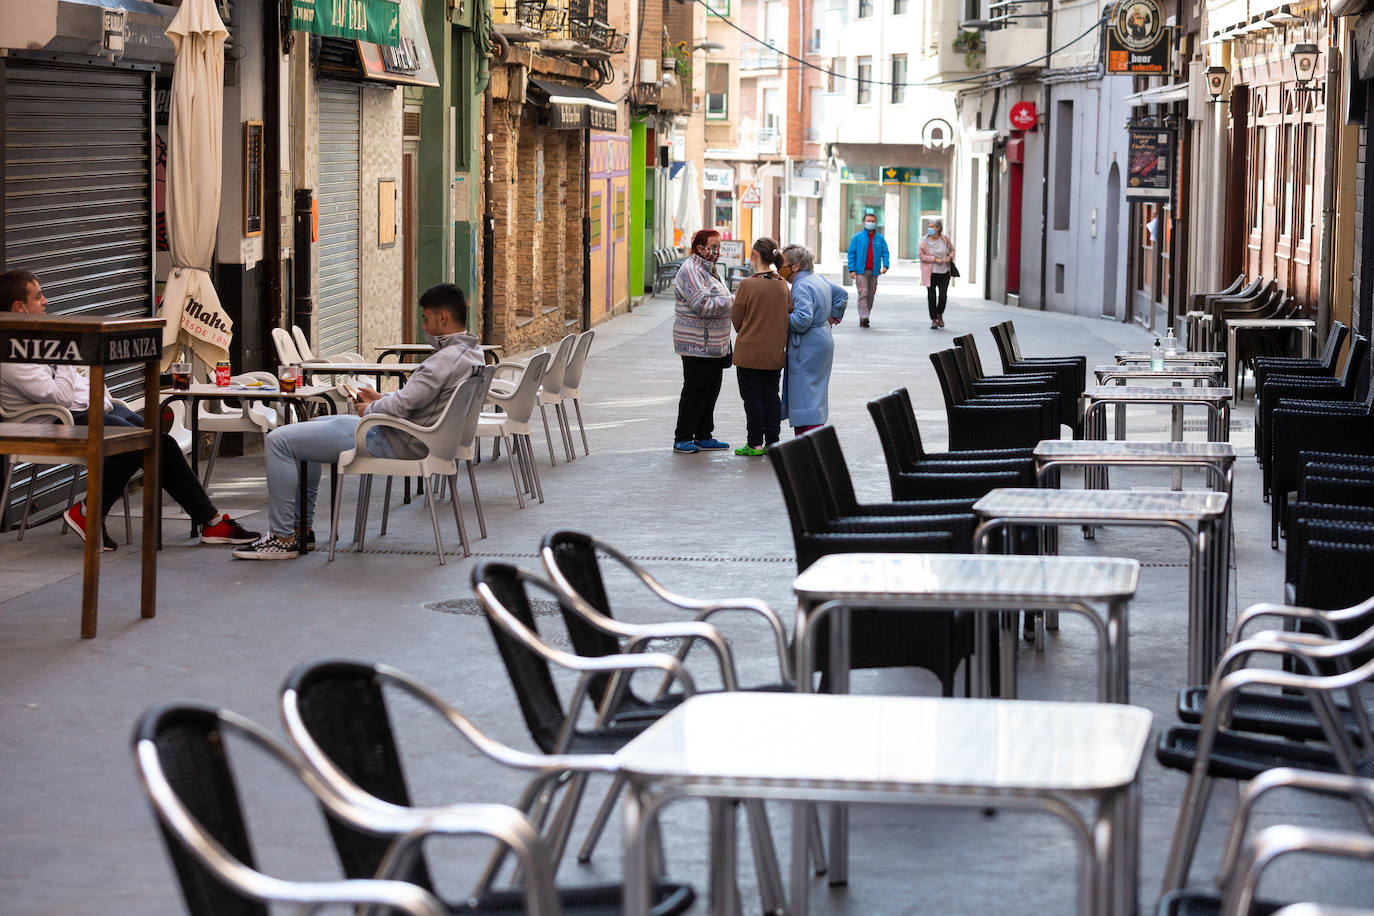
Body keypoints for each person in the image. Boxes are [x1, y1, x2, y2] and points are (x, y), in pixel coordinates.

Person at [0, 269, 258, 550]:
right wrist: (65, 349)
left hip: (90, 410)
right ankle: (207, 521)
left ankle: (207, 521)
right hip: (56, 422)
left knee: (162, 443)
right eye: (38, 297)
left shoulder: (33, 337)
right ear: (19, 307)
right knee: (137, 445)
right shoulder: (11, 353)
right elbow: (60, 396)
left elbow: (71, 387)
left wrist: (101, 399)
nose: (46, 301)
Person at [232, 282, 483, 560]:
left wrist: (370, 408)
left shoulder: (442, 360)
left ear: (443, 318)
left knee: (278, 440)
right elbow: (419, 400)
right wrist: (378, 398)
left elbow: (403, 404)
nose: (424, 326)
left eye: (426, 319)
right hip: (423, 438)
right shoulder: (474, 356)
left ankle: (282, 538)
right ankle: (301, 530)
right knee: (303, 436)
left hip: (393, 438)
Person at [671, 228, 733, 455]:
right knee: (696, 390)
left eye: (719, 246)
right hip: (697, 345)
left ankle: (704, 434)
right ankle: (683, 436)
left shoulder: (710, 269)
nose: (718, 251)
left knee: (711, 390)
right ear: (700, 248)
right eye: (714, 247)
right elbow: (703, 305)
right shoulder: (690, 270)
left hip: (715, 345)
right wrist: (733, 300)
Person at [729, 238, 790, 456]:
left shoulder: (747, 285)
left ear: (754, 255)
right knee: (772, 396)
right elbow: (788, 312)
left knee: (752, 398)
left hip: (749, 353)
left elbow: (736, 318)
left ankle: (754, 443)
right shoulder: (782, 285)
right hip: (774, 353)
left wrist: (748, 331)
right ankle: (773, 442)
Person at [779, 244, 847, 434]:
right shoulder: (817, 279)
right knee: (816, 393)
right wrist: (831, 317)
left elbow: (802, 320)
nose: (779, 268)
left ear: (796, 266)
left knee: (804, 394)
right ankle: (815, 433)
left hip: (807, 345)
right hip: (822, 339)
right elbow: (841, 295)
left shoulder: (800, 286)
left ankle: (807, 438)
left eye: (783, 264)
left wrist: (779, 317)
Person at [845, 213, 889, 328]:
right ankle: (864, 316)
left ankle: (865, 315)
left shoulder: (879, 238)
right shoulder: (857, 237)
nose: (871, 223)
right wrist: (852, 269)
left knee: (870, 295)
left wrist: (885, 265)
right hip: (860, 272)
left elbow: (885, 252)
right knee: (863, 292)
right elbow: (851, 254)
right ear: (864, 222)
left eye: (873, 221)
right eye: (869, 220)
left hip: (874, 271)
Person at [919, 219, 955, 330]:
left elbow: (952, 250)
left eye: (932, 226)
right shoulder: (924, 241)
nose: (930, 228)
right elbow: (921, 256)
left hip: (944, 272)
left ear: (938, 228)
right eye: (929, 226)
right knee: (931, 296)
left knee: (943, 296)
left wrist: (949, 257)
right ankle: (934, 319)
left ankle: (940, 314)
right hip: (930, 273)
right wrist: (934, 259)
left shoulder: (944, 239)